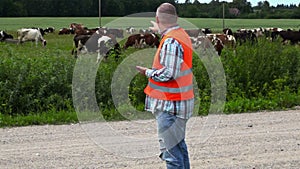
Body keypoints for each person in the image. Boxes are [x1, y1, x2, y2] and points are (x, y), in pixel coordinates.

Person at [136, 3, 194, 169]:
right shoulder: (181, 34)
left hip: (170, 105)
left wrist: (147, 72)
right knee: (179, 149)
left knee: (171, 156)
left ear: (157, 19)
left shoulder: (170, 42)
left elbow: (169, 73)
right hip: (179, 102)